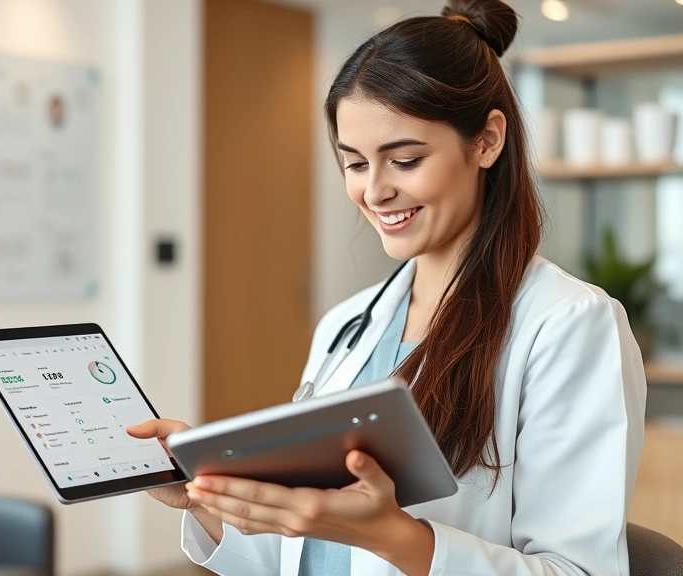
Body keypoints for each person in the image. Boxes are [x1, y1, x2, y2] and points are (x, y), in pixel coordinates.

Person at [126, 0, 646, 574]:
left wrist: (397, 538)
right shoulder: (346, 326)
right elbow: (304, 554)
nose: (374, 192)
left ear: (487, 141)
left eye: (404, 159)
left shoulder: (569, 325)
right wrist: (207, 494)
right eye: (354, 164)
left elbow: (581, 570)